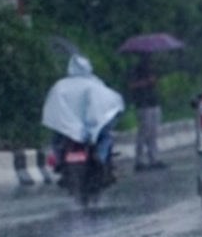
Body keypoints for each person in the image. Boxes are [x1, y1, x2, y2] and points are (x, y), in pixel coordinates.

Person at [41, 54, 124, 184]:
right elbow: (108, 104)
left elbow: (53, 108)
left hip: (68, 129)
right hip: (91, 128)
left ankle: (58, 161)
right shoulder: (95, 83)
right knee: (106, 138)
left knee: (55, 140)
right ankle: (100, 158)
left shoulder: (60, 86)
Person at [128, 54, 164, 170]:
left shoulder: (153, 70)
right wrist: (146, 82)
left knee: (153, 133)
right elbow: (131, 85)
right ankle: (139, 160)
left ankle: (154, 158)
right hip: (143, 104)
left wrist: (152, 81)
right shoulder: (136, 71)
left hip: (153, 102)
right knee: (144, 133)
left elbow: (155, 83)